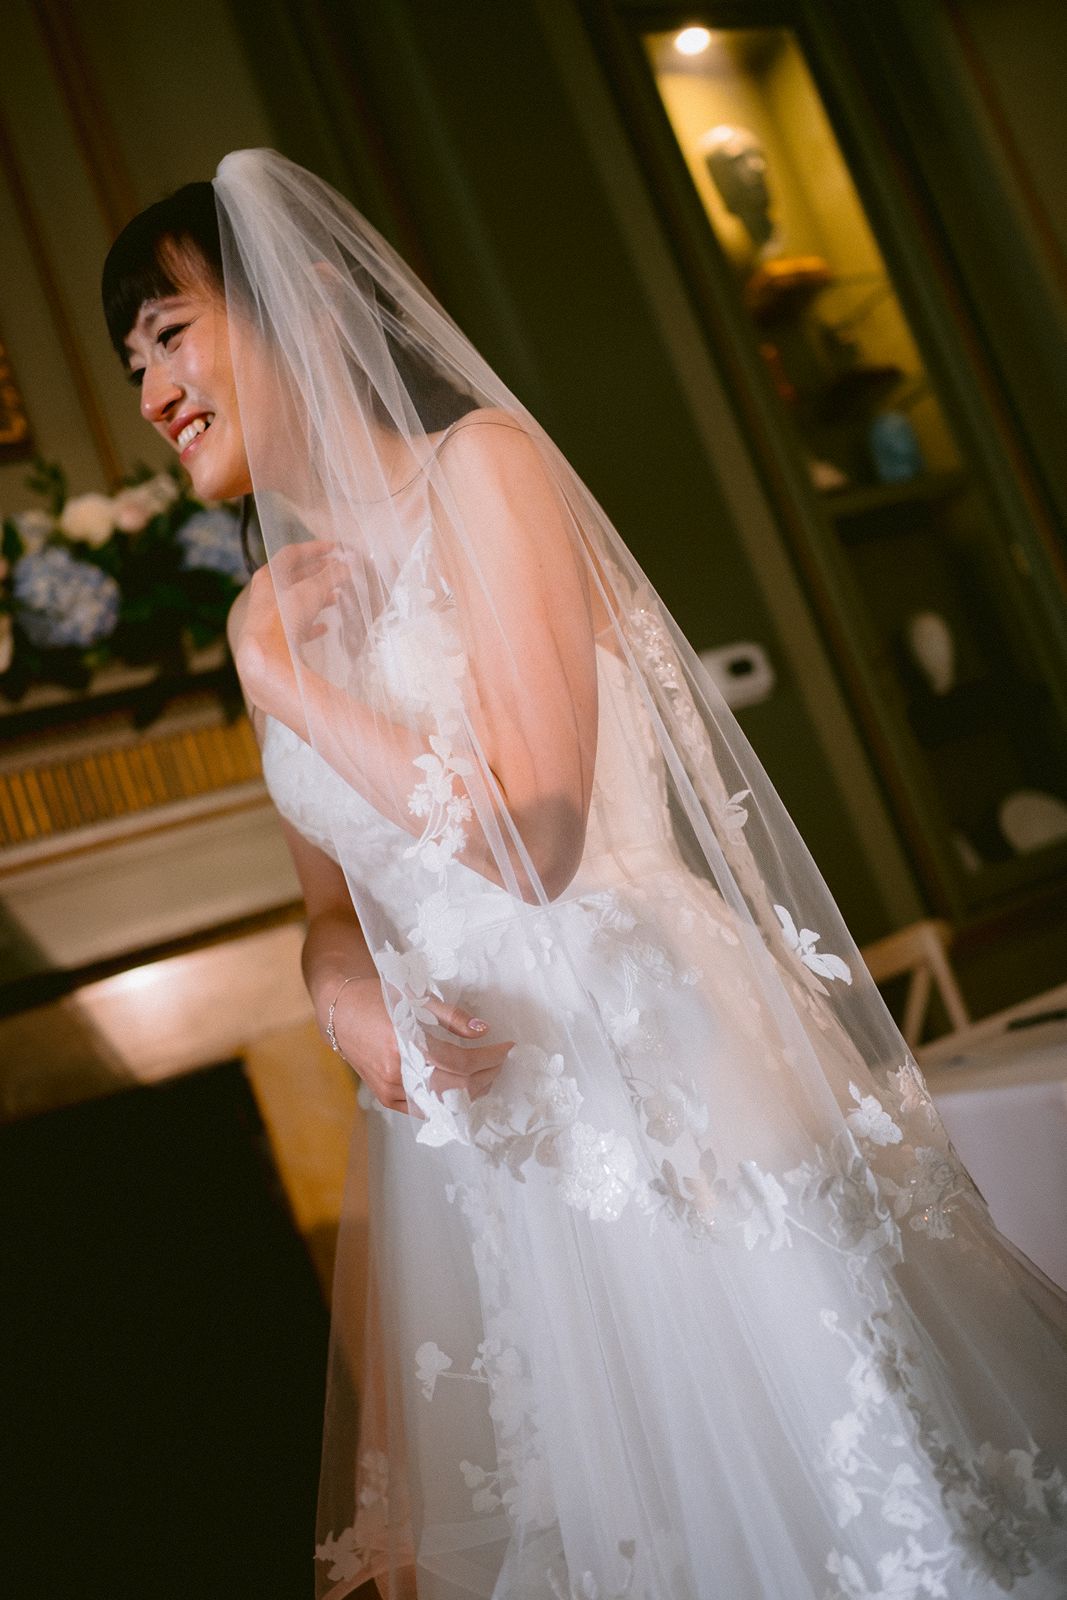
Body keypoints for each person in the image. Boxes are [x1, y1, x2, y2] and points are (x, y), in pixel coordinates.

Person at [102, 149, 1067, 1600]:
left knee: (849, 1502)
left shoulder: (481, 469)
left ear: (304, 301)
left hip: (661, 1077)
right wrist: (350, 1006)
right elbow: (327, 908)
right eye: (130, 365)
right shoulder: (274, 605)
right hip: (493, 1148)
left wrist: (278, 679)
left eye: (169, 334)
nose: (150, 392)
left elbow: (537, 837)